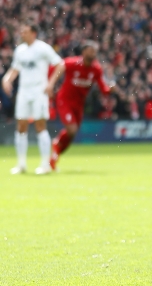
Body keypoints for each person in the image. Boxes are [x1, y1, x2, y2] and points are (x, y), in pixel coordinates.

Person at [2, 23, 65, 174]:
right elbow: (15, 68)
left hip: (39, 91)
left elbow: (60, 65)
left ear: (34, 33)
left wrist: (50, 84)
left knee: (40, 125)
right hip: (24, 91)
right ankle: (21, 164)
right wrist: (6, 79)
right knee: (21, 126)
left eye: (25, 31)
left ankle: (45, 165)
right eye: (22, 31)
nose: (22, 34)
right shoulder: (20, 50)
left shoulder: (43, 48)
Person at [50, 41, 114, 171]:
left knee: (72, 135)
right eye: (91, 51)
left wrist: (110, 89)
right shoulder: (73, 63)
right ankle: (56, 144)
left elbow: (103, 89)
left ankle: (55, 154)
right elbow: (60, 66)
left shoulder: (96, 69)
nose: (93, 54)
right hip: (65, 100)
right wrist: (51, 84)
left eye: (95, 51)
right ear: (83, 52)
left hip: (79, 104)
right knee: (72, 130)